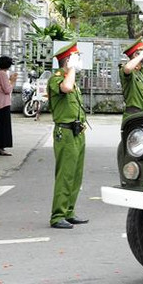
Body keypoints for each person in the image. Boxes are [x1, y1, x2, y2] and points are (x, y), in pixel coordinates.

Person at [47, 42, 89, 229]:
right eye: (76, 57)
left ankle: (69, 211)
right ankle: (57, 215)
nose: (79, 61)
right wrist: (70, 68)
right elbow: (66, 88)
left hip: (78, 132)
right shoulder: (57, 79)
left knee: (76, 175)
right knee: (65, 175)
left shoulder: (71, 79)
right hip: (64, 132)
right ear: (68, 61)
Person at [119, 37, 143, 121]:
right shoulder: (130, 71)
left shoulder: (141, 72)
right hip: (134, 116)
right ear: (136, 54)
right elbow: (127, 68)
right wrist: (141, 56)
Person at [0, 56, 17, 156]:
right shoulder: (2, 74)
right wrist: (13, 81)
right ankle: (0, 147)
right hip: (3, 103)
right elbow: (7, 90)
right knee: (4, 126)